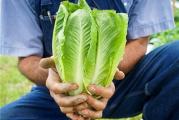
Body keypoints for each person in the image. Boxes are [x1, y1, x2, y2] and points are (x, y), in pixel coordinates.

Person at [0, 0, 178, 120]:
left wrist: (105, 75)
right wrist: (57, 74)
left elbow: (139, 42)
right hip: (57, 93)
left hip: (125, 81)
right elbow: (27, 59)